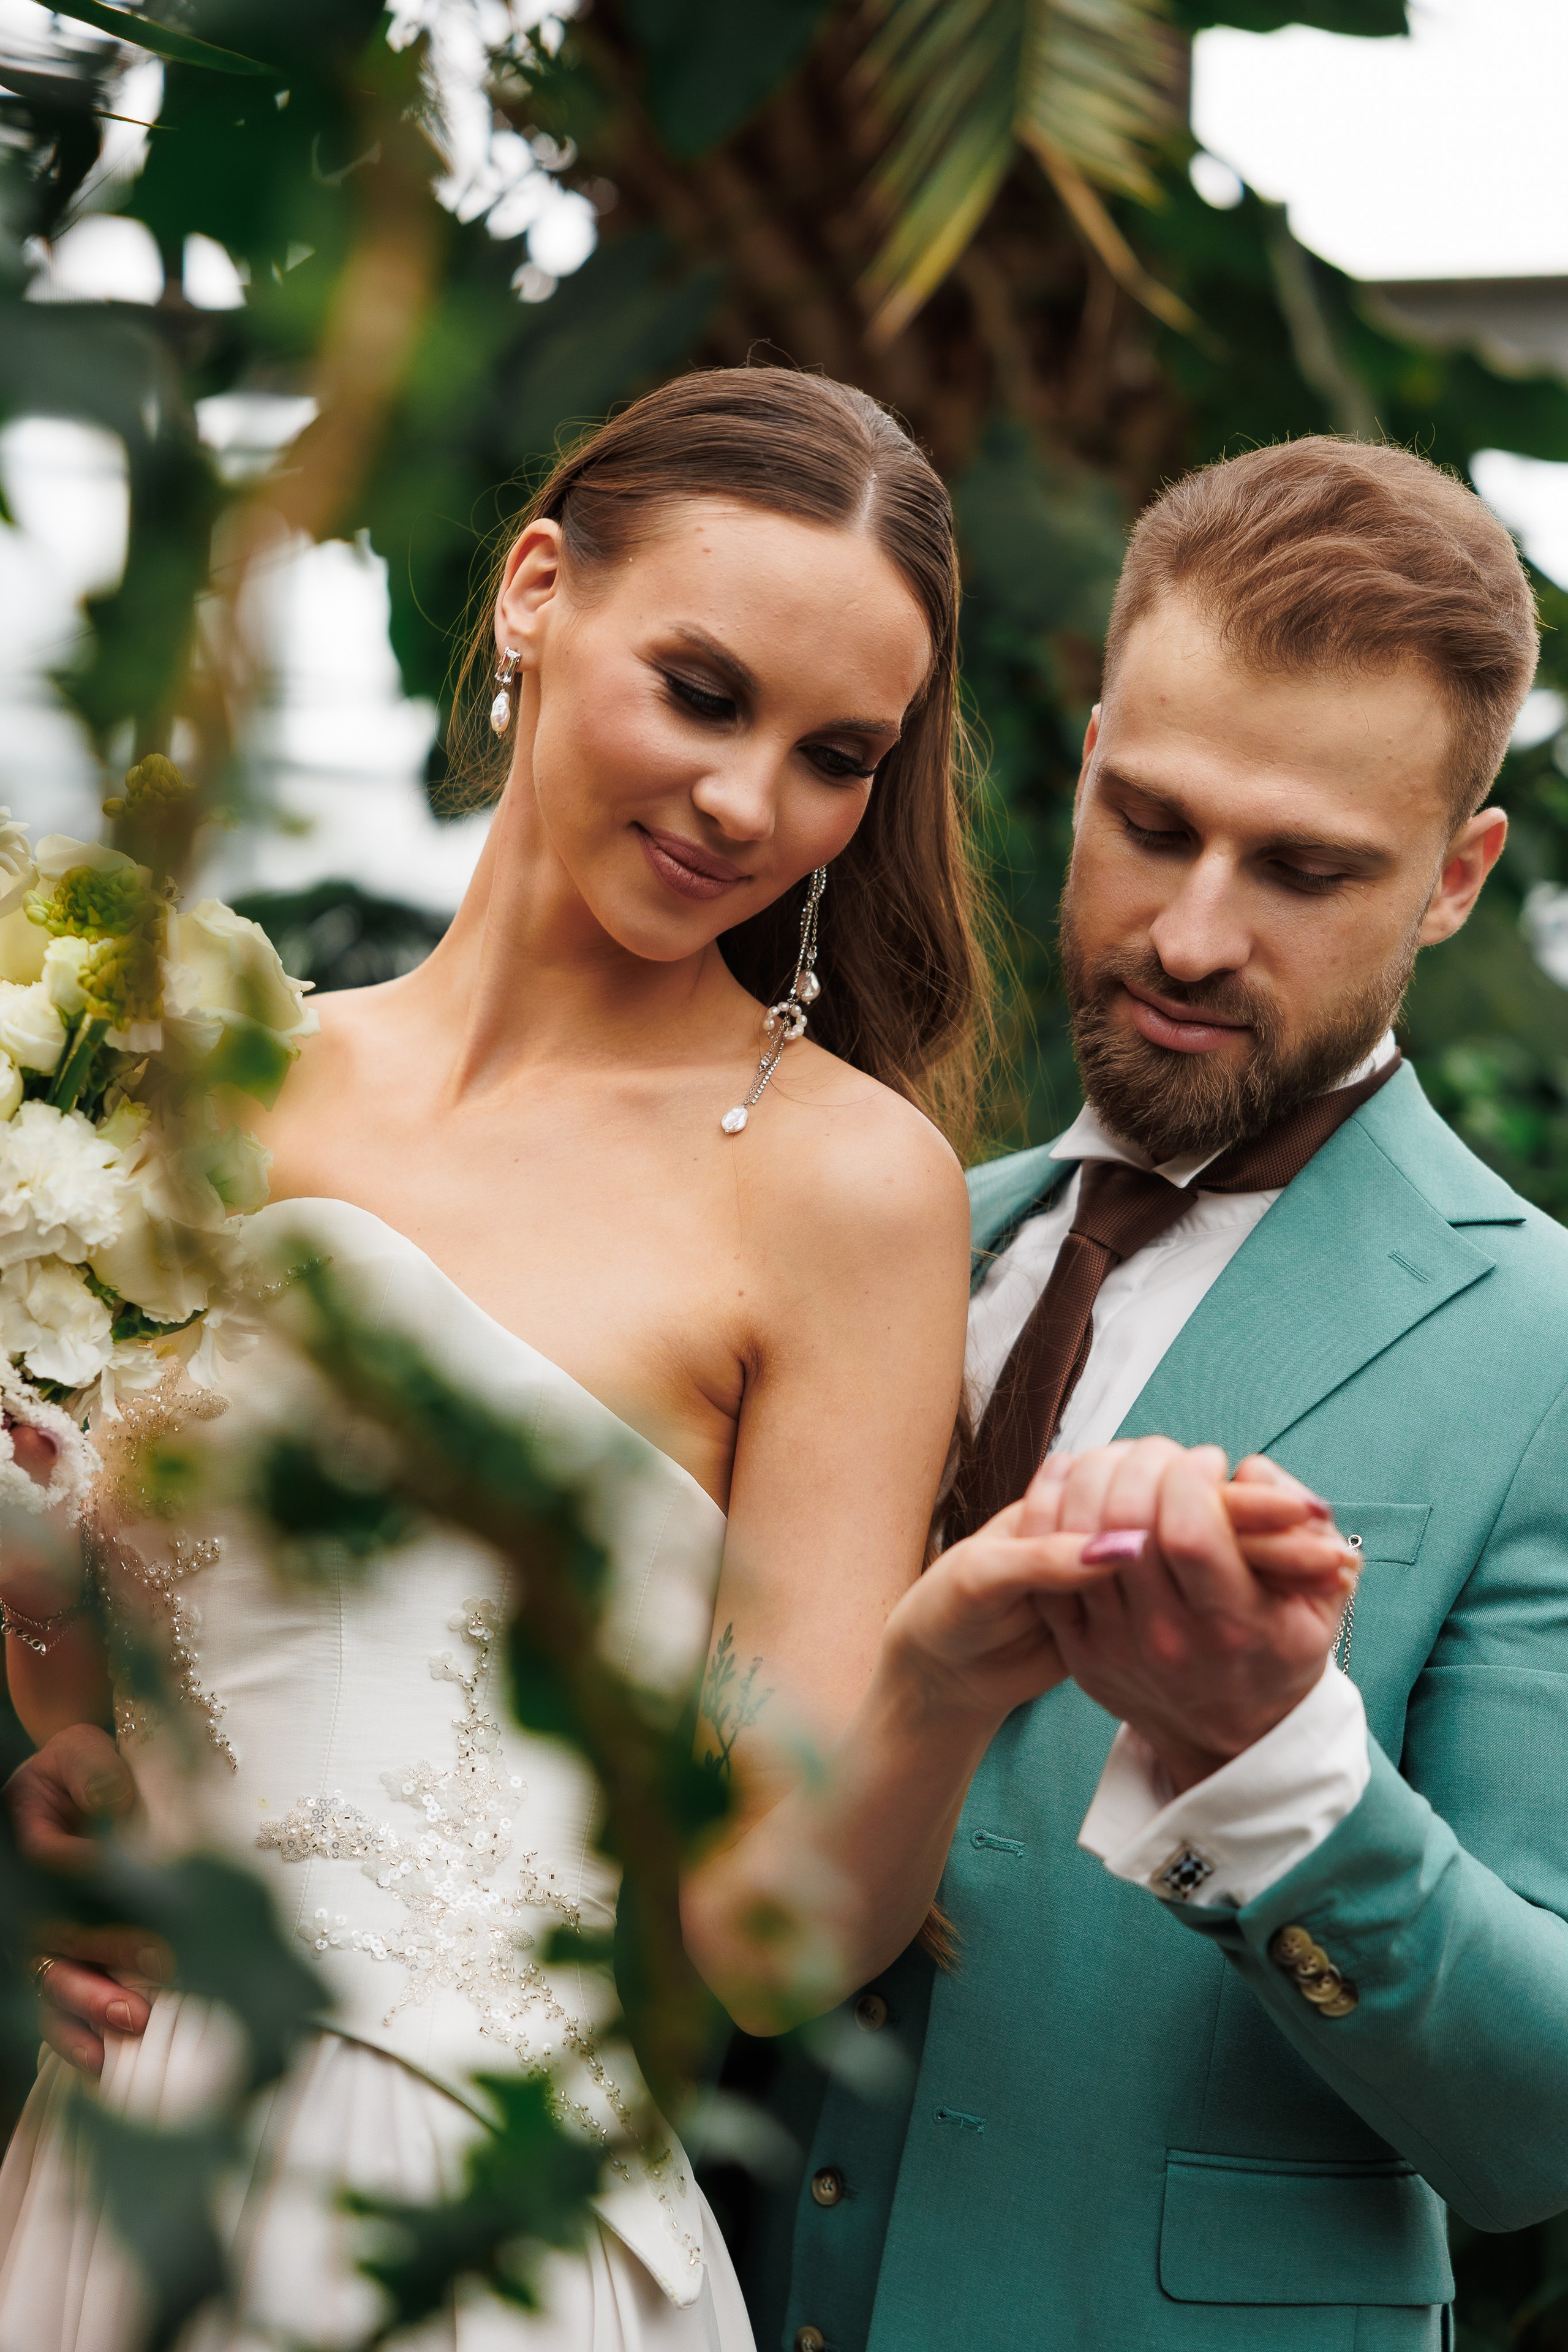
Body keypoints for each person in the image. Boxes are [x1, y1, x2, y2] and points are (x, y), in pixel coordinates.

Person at [0, 374, 1351, 2352]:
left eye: (834, 758)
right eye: (704, 695)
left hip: (464, 2222)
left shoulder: (840, 1189)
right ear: (538, 591)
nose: (748, 804)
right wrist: (56, 1782)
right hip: (112, 2166)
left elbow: (771, 1941)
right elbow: (69, 1609)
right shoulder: (177, 1076)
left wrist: (947, 1671)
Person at [759, 434, 1568, 2352]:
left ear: (1455, 879)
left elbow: (1535, 2126)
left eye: (1304, 869)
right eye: (1152, 822)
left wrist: (1269, 1758)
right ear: (1093, 758)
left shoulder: (1544, 1348)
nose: (1194, 936)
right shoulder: (880, 1238)